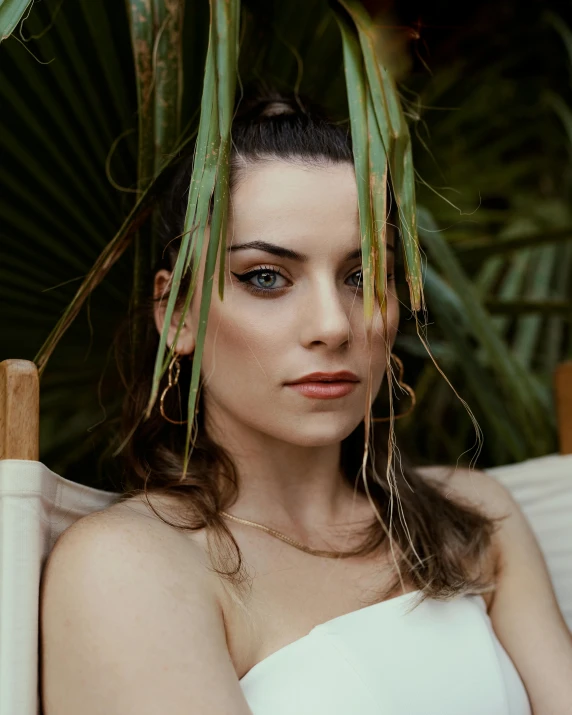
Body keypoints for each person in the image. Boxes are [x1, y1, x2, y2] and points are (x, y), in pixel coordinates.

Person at [39, 89, 572, 715]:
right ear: (177, 311)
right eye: (266, 276)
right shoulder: (129, 564)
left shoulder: (471, 517)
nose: (334, 325)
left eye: (362, 277)